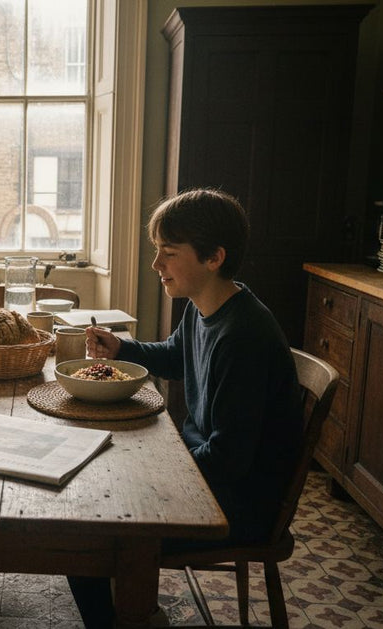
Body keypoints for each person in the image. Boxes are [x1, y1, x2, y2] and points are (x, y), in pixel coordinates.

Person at [68, 189, 304, 628]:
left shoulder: (243, 337)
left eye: (168, 253)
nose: (157, 265)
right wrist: (121, 347)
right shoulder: (207, 306)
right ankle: (135, 611)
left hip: (238, 504)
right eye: (157, 251)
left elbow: (229, 459)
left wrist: (149, 475)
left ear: (214, 257)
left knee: (87, 536)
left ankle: (126, 617)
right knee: (95, 500)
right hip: (209, 477)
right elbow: (176, 356)